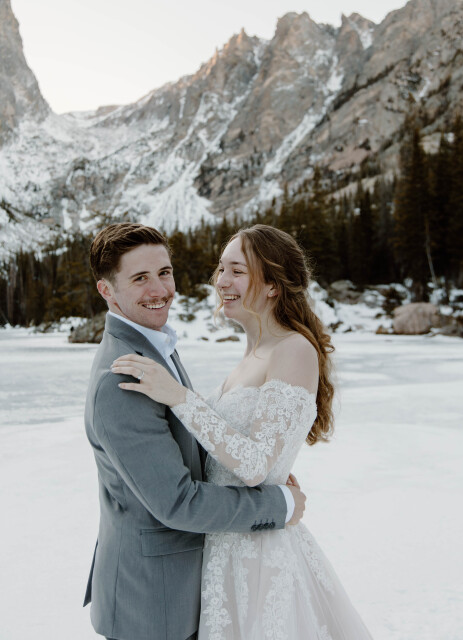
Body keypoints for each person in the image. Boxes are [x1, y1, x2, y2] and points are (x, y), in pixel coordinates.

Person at [112, 224, 374, 639]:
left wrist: (179, 397)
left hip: (260, 557)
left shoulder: (293, 349)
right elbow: (241, 454)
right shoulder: (251, 355)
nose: (221, 281)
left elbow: (254, 467)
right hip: (225, 549)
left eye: (237, 271)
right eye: (221, 269)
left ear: (272, 285)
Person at [83, 222, 306, 640]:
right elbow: (178, 502)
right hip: (152, 604)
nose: (159, 290)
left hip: (183, 589)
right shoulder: (123, 377)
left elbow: (184, 446)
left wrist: (249, 463)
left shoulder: (154, 347)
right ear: (106, 290)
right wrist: (278, 504)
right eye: (140, 278)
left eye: (164, 272)